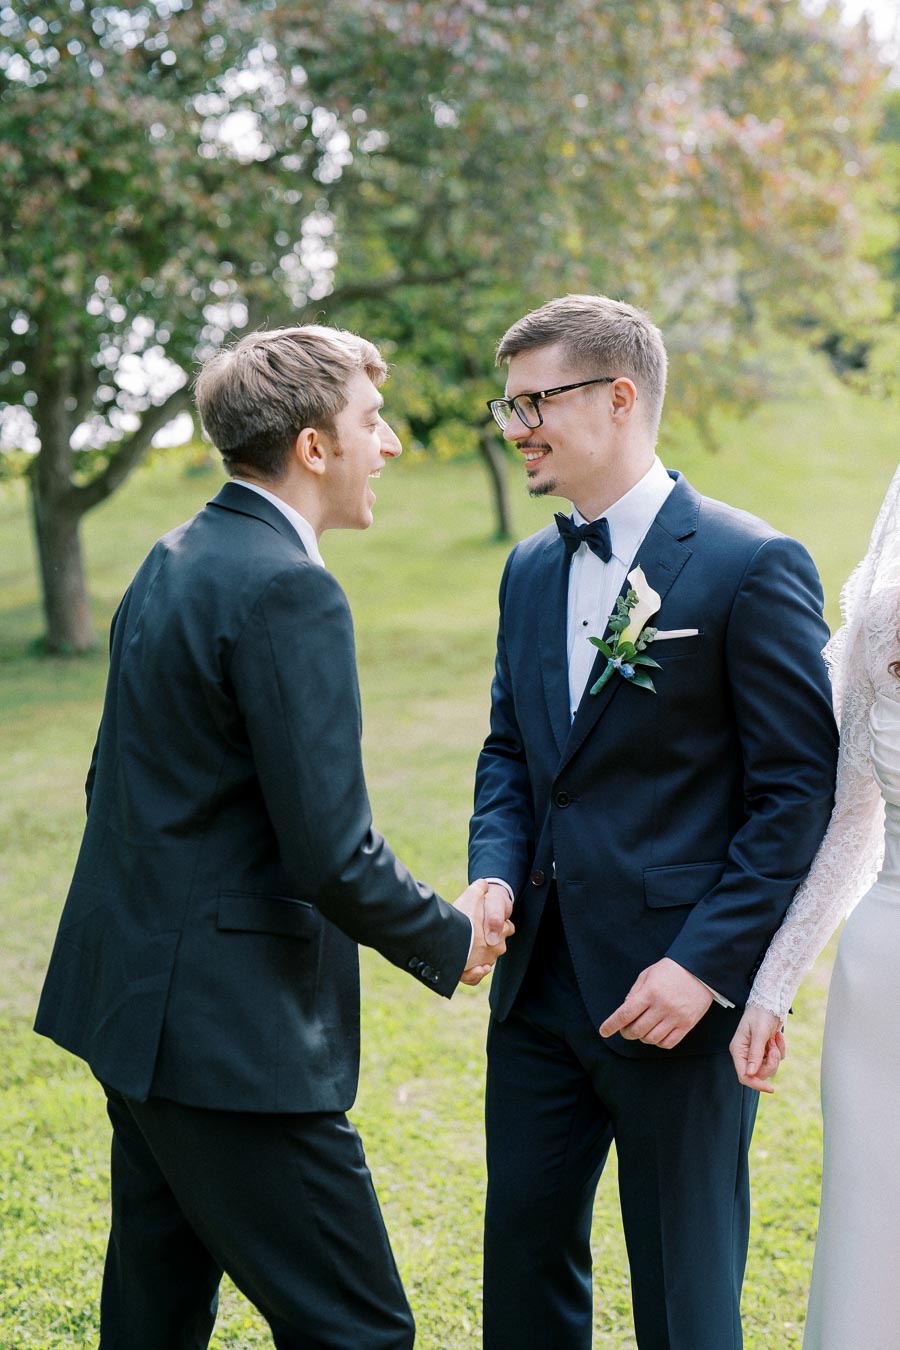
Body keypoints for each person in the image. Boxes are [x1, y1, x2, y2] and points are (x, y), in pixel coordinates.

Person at [34, 324, 510, 1350]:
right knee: (360, 1331)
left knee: (154, 1316)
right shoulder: (291, 589)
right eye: (371, 422)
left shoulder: (174, 558)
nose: (386, 445)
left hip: (134, 1009)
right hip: (228, 1040)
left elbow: (112, 785)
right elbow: (331, 850)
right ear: (312, 446)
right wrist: (448, 934)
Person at [468, 294, 839, 1350]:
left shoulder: (750, 563)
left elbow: (794, 795)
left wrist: (706, 966)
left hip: (675, 997)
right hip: (539, 993)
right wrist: (492, 872)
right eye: (512, 405)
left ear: (621, 396)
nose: (519, 425)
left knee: (685, 1293)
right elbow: (510, 753)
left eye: (536, 400)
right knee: (524, 1272)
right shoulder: (529, 569)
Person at [730, 463, 900, 1350]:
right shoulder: (887, 621)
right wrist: (772, 985)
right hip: (886, 978)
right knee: (874, 1215)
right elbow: (850, 822)